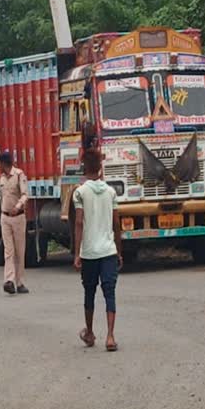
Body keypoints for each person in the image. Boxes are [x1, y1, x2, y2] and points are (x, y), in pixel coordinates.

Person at [73, 149, 123, 352]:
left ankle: (90, 332)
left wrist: (77, 253)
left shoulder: (80, 192)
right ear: (101, 169)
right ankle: (110, 336)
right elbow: (117, 223)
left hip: (90, 252)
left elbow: (78, 222)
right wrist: (119, 251)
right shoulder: (111, 192)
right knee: (109, 293)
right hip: (109, 251)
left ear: (85, 169)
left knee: (89, 292)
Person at [0, 151, 29, 295]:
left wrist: (17, 207)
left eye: (0, 163)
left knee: (19, 251)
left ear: (4, 163)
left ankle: (20, 282)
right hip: (5, 218)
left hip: (18, 218)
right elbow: (1, 198)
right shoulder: (2, 178)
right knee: (8, 251)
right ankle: (9, 281)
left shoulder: (19, 175)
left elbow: (25, 195)